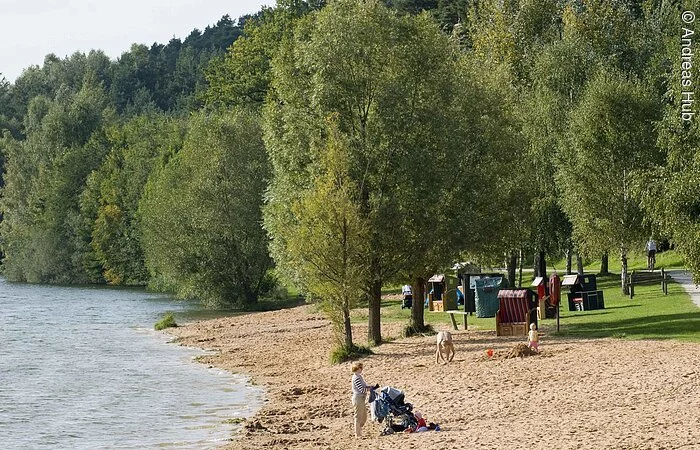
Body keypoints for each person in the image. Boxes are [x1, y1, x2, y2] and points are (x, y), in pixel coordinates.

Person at [351, 362, 377, 438]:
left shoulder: (359, 376)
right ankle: (357, 434)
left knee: (364, 416)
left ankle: (358, 430)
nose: (362, 369)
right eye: (361, 368)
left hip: (361, 398)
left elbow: (364, 386)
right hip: (358, 398)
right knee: (358, 416)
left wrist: (370, 387)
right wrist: (369, 389)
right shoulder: (356, 378)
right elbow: (361, 389)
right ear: (358, 368)